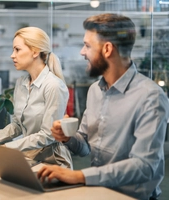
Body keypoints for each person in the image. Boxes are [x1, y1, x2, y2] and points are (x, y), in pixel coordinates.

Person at [37, 13, 169, 200]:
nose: (82, 52)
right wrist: (68, 138)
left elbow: (145, 166)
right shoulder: (95, 91)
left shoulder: (150, 96)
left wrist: (80, 176)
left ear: (107, 49)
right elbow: (85, 146)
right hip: (98, 192)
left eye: (88, 46)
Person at [0, 27, 72, 168]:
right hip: (27, 157)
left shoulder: (53, 86)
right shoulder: (21, 83)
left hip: (51, 162)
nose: (12, 55)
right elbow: (17, 125)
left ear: (35, 51)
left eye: (17, 49)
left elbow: (48, 135)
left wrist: (8, 148)